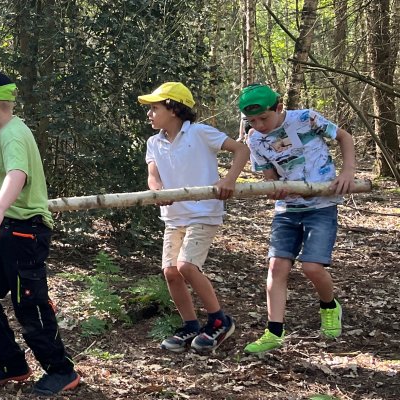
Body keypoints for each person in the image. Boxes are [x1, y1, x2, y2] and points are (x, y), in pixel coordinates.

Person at [0, 70, 79, 396]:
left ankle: (61, 371)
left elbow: (17, 175)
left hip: (24, 231)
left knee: (29, 304)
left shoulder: (13, 134)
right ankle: (11, 364)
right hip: (3, 232)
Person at [238, 84, 356, 354]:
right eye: (252, 121)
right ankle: (274, 332)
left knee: (312, 267)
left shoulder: (305, 118)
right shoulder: (254, 139)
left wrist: (347, 172)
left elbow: (345, 138)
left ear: (278, 107)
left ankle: (329, 306)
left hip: (321, 204)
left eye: (263, 118)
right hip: (287, 209)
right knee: (276, 267)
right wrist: (274, 188)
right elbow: (269, 176)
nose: (259, 125)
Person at [138, 82, 249, 353]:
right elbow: (153, 176)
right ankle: (190, 324)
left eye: (155, 108)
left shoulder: (199, 133)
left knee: (187, 266)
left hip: (203, 212)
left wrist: (229, 179)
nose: (149, 114)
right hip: (174, 216)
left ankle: (219, 319)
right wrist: (157, 192)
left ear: (174, 109)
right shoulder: (154, 142)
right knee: (171, 272)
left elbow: (241, 150)